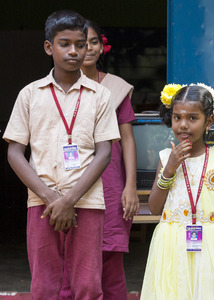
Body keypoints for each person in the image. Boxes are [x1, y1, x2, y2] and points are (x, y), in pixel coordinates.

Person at [3, 10, 120, 299]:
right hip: (42, 202)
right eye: (64, 43)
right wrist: (52, 198)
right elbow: (15, 152)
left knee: (88, 286)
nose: (74, 51)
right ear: (48, 47)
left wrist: (69, 199)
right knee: (44, 284)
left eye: (81, 44)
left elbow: (104, 152)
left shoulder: (100, 95)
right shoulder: (30, 94)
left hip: (87, 200)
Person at [140, 83, 214, 299]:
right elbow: (154, 208)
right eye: (177, 117)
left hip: (210, 247)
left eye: (192, 118)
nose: (183, 125)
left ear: (208, 121)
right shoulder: (165, 158)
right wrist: (169, 169)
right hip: (170, 248)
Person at [58, 20, 140, 300]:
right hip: (70, 178)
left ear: (102, 46)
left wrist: (130, 186)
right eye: (82, 43)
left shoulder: (116, 88)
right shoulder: (58, 87)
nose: (87, 48)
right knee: (71, 258)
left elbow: (127, 139)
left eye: (92, 42)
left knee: (110, 260)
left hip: (110, 181)